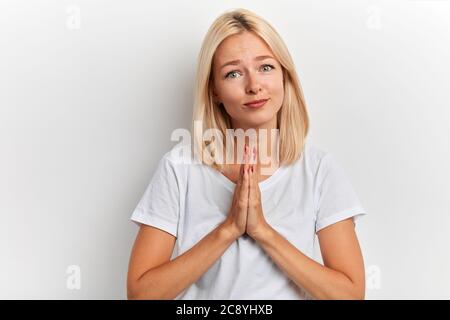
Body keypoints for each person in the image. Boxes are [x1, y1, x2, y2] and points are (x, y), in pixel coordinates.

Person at [126, 8, 367, 300]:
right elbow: (141, 294)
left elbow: (350, 295)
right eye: (233, 73)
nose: (254, 86)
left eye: (266, 67)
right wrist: (228, 229)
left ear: (284, 75)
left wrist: (263, 231)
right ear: (214, 90)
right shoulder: (180, 168)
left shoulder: (318, 169)